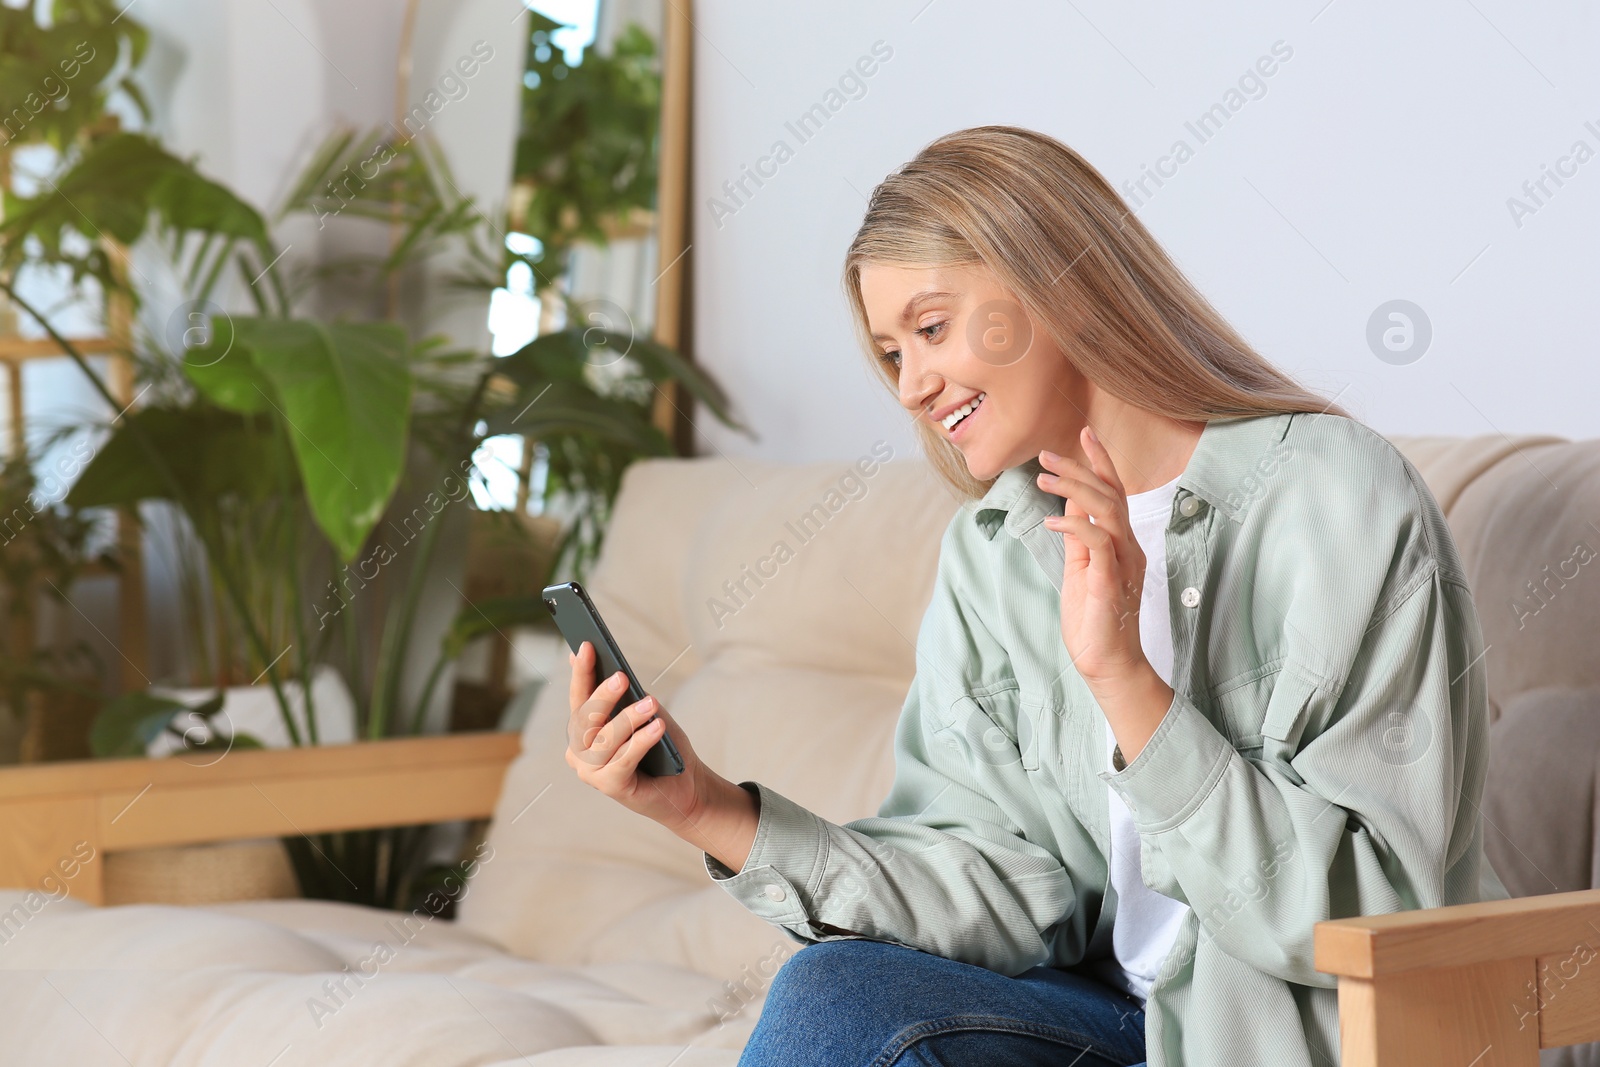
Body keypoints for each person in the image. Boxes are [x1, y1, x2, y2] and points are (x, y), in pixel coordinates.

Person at [562, 125, 1506, 1067]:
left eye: (930, 329)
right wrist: (709, 809)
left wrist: (1126, 680)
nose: (911, 388)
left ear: (1056, 279)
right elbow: (1004, 883)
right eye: (893, 354)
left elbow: (1371, 918)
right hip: (1104, 1019)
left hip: (1276, 1034)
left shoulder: (1333, 497)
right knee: (839, 994)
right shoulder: (997, 551)